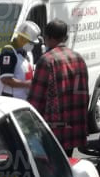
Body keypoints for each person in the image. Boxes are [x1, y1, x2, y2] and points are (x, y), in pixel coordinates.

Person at [29, 19, 89, 156]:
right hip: (74, 125)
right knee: (69, 166)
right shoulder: (78, 58)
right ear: (65, 37)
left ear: (47, 37)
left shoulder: (46, 60)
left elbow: (36, 99)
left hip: (54, 130)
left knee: (52, 170)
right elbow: (84, 94)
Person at [0, 21, 40, 98]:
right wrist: (27, 84)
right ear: (22, 38)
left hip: (23, 99)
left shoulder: (26, 53)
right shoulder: (8, 52)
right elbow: (6, 80)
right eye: (31, 43)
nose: (32, 46)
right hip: (10, 100)